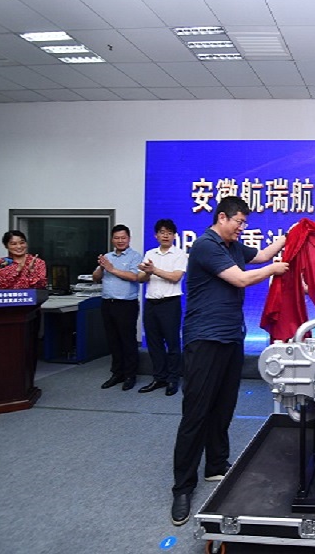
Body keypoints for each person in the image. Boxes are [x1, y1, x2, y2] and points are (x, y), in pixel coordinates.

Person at [170, 196, 289, 526]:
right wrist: (273, 270)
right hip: (204, 339)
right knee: (196, 412)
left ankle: (216, 465)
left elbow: (261, 255)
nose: (242, 228)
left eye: (244, 223)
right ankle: (182, 487)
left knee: (223, 407)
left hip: (231, 337)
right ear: (222, 217)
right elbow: (241, 279)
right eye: (239, 222)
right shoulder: (206, 246)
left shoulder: (233, 246)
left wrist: (289, 236)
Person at [137, 219, 187, 397]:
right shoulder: (150, 253)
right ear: (156, 235)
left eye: (169, 233)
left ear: (174, 236)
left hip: (170, 303)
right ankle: (159, 377)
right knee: (154, 343)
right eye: (162, 232)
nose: (165, 236)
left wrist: (154, 270)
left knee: (172, 343)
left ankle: (173, 379)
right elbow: (141, 278)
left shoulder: (180, 254)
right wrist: (145, 272)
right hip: (151, 303)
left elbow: (175, 277)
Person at [93, 224, 143, 392]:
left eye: (123, 238)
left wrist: (112, 269)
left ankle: (130, 375)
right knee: (113, 340)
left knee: (128, 340)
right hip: (108, 303)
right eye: (117, 238)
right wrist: (102, 267)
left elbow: (135, 277)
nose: (120, 241)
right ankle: (117, 373)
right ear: (112, 239)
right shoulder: (107, 257)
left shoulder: (135, 256)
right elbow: (95, 278)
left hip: (126, 304)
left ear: (129, 239)